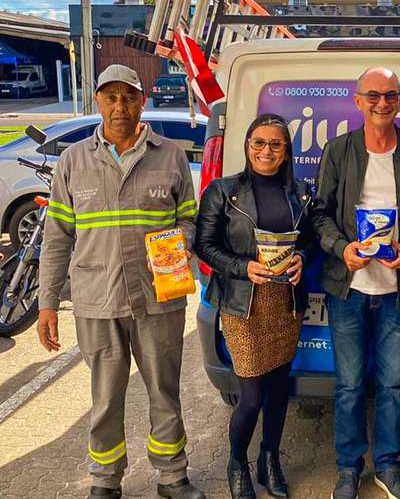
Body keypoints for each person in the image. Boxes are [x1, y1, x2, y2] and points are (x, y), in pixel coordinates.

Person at [36, 64, 204, 499]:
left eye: (128, 97)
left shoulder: (170, 156)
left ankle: (172, 476)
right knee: (106, 398)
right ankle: (105, 480)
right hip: (98, 299)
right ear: (98, 101)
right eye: (110, 97)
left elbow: (190, 218)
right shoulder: (74, 161)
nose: (120, 106)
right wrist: (47, 303)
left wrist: (177, 245)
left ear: (141, 102)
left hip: (159, 297)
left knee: (164, 392)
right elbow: (57, 238)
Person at [312, 67, 400, 499]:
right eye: (373, 95)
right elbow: (319, 214)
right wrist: (341, 248)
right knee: (349, 386)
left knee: (392, 386)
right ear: (358, 101)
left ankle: (388, 467)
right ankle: (348, 469)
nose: (382, 103)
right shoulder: (338, 151)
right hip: (349, 288)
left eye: (390, 95)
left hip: (397, 290)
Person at [195, 114, 314, 499]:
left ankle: (269, 458)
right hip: (242, 304)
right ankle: (237, 462)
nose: (266, 151)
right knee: (250, 397)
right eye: (258, 142)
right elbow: (204, 245)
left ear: (286, 151)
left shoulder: (301, 193)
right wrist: (241, 267)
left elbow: (311, 240)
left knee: (279, 391)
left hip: (286, 303)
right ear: (247, 146)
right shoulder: (223, 191)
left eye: (275, 144)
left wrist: (303, 258)